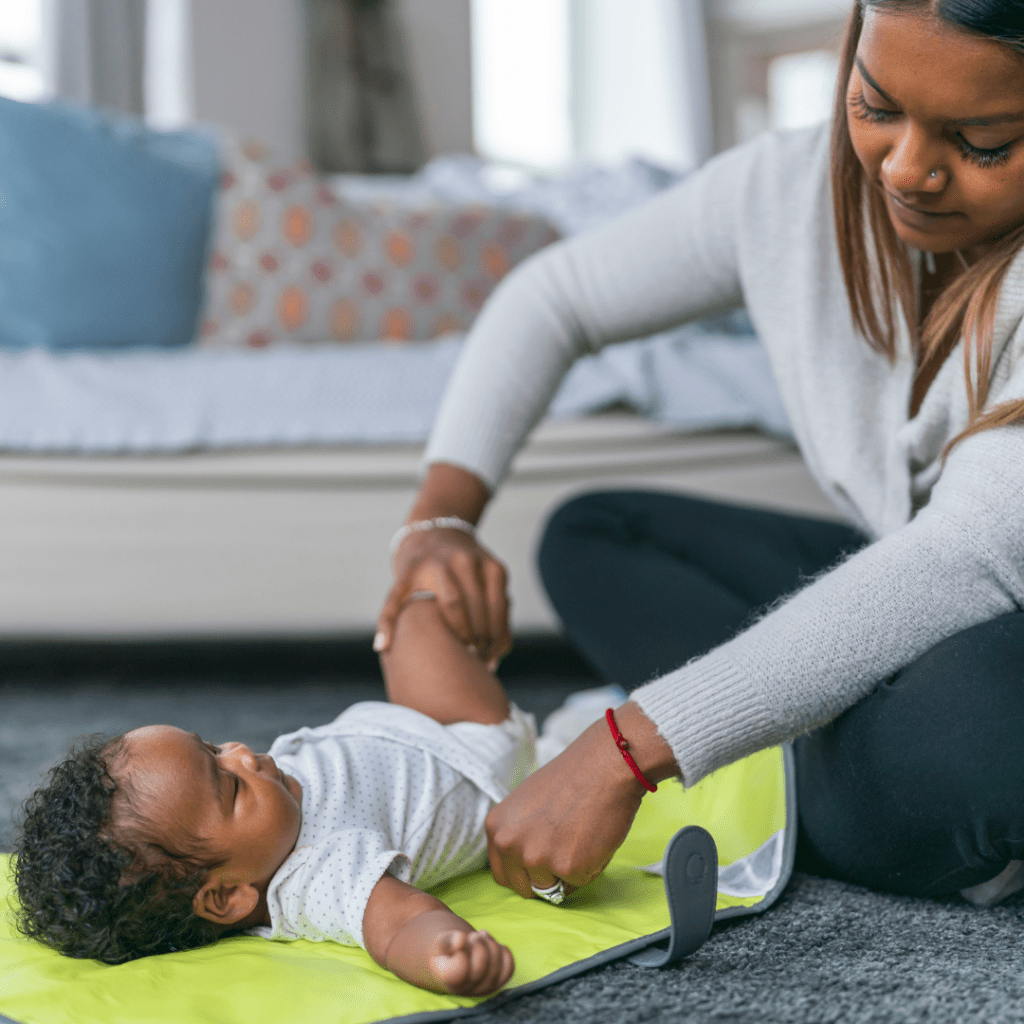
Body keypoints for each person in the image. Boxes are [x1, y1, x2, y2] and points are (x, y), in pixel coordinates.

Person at [374, 0, 1024, 909]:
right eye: (876, 106)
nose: (906, 168)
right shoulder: (787, 189)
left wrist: (625, 747)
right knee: (597, 533)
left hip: (998, 628)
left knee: (1002, 709)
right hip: (926, 602)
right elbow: (551, 300)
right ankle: (824, 763)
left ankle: (816, 774)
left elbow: (970, 557)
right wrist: (437, 523)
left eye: (983, 142)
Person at [13, 594, 532, 995]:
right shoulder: (315, 873)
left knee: (401, 610)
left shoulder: (265, 819)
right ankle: (558, 746)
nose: (241, 752)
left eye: (212, 747)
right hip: (480, 751)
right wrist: (445, 953)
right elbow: (398, 923)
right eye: (232, 786)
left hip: (414, 724)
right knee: (420, 609)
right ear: (226, 896)